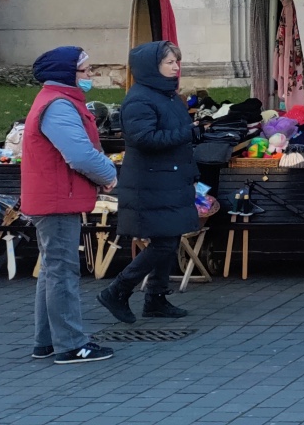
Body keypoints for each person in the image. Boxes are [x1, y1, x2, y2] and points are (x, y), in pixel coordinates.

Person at [22, 46, 118, 364]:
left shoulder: (55, 101)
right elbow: (78, 154)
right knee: (62, 271)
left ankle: (47, 341)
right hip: (57, 200)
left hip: (51, 197)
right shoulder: (59, 105)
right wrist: (108, 173)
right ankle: (71, 344)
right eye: (85, 70)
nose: (90, 75)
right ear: (66, 74)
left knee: (52, 270)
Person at [99, 41, 200, 323]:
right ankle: (117, 290)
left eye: (177, 62)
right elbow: (143, 139)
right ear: (151, 67)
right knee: (163, 243)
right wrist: (186, 133)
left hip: (170, 179)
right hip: (151, 182)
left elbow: (175, 133)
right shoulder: (140, 99)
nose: (176, 67)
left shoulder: (167, 96)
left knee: (171, 237)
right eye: (170, 63)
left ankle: (156, 298)